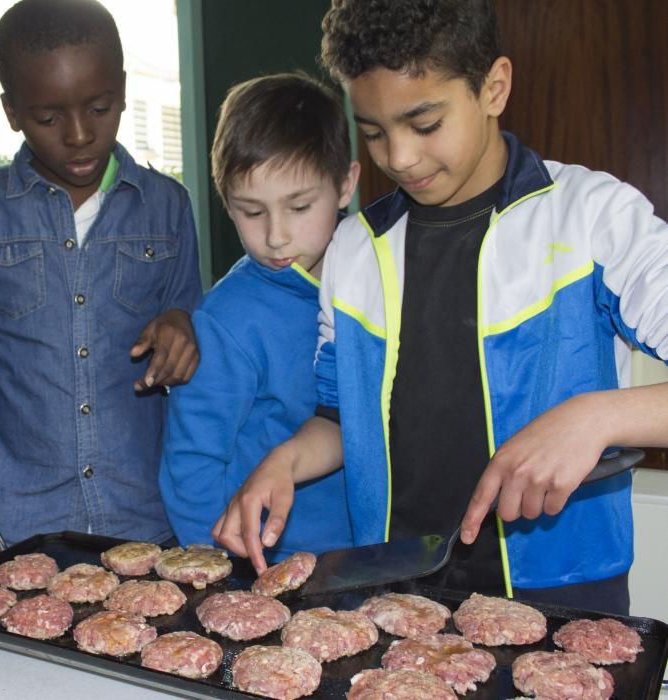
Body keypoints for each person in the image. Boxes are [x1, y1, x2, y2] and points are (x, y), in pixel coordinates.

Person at [213, 0, 668, 614]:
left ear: (494, 87)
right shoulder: (355, 249)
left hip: (565, 591)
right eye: (373, 131)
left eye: (424, 123)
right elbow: (342, 420)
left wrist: (597, 417)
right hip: (396, 589)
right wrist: (285, 461)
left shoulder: (593, 217)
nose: (398, 156)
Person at [0, 0, 202, 547]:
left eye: (99, 108)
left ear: (121, 87)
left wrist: (184, 327)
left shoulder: (167, 206)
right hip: (20, 517)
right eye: (48, 118)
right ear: (12, 111)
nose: (77, 135)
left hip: (145, 511)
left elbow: (190, 320)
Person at [160, 73, 360, 559]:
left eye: (299, 207)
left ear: (346, 185)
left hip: (370, 553)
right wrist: (217, 573)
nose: (276, 236)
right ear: (226, 202)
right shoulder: (228, 320)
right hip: (266, 568)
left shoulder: (373, 276)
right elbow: (192, 464)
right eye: (252, 211)